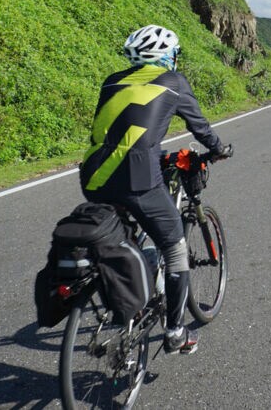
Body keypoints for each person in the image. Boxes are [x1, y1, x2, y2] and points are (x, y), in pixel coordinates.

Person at [79, 24, 232, 355]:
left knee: (125, 237)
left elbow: (118, 133)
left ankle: (137, 281)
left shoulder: (112, 81)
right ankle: (175, 332)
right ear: (166, 56)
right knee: (175, 248)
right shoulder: (173, 82)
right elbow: (200, 127)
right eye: (174, 53)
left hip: (93, 177)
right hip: (137, 180)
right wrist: (219, 149)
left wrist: (158, 155)